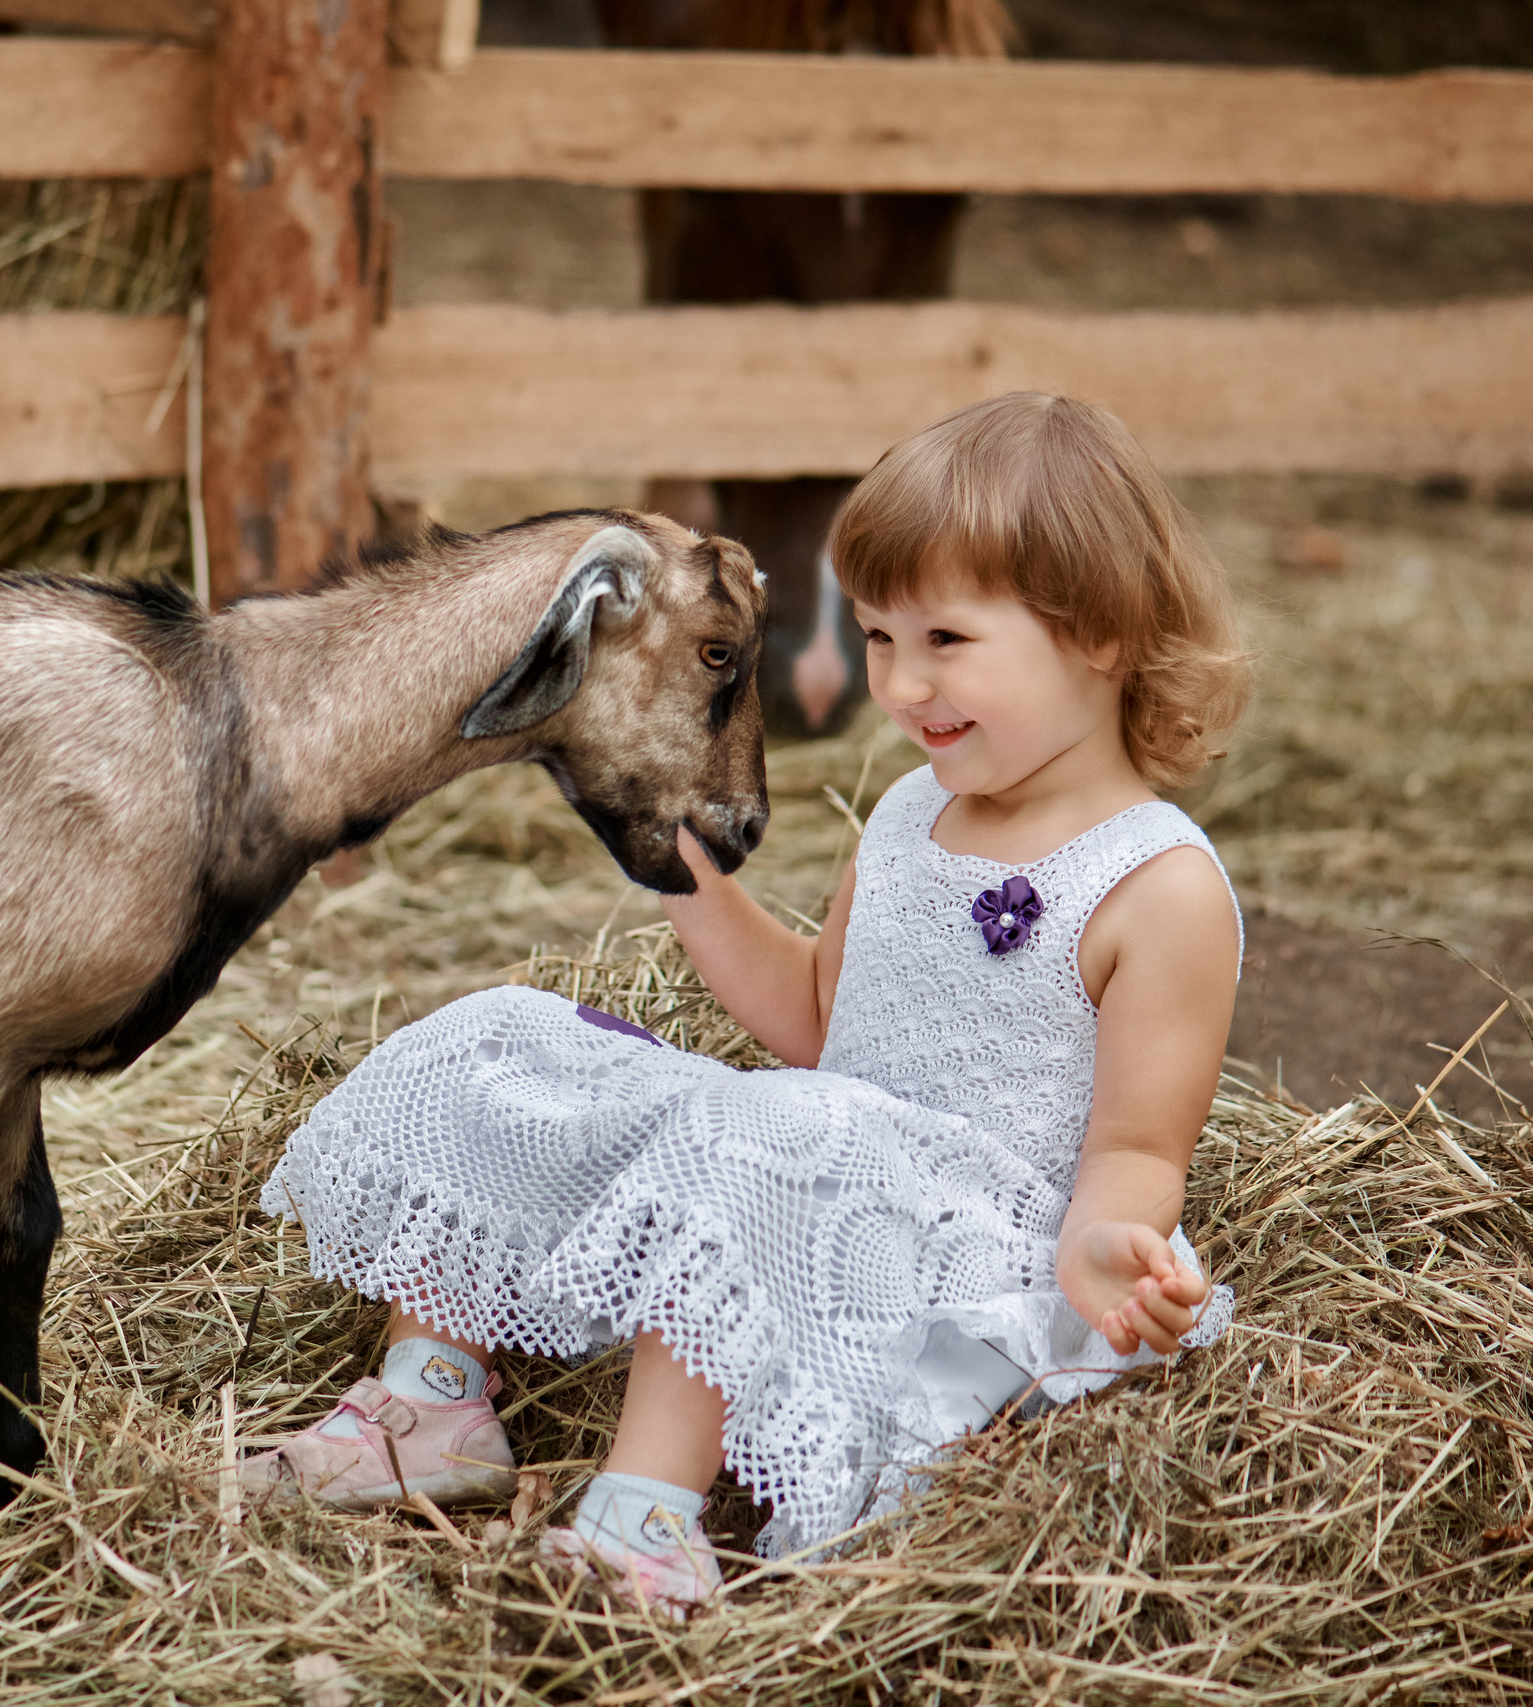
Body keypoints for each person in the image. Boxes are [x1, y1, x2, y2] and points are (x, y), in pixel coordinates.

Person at [244, 391, 1255, 1616]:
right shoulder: (907, 814)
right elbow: (821, 1022)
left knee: (778, 1125)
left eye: (944, 640)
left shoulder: (1158, 886)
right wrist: (684, 871)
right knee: (507, 1038)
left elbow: (1140, 1147)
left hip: (966, 1255)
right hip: (805, 1157)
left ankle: (644, 1519)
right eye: (878, 638)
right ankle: (429, 1402)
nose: (897, 684)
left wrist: (1106, 1251)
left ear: (1097, 634)